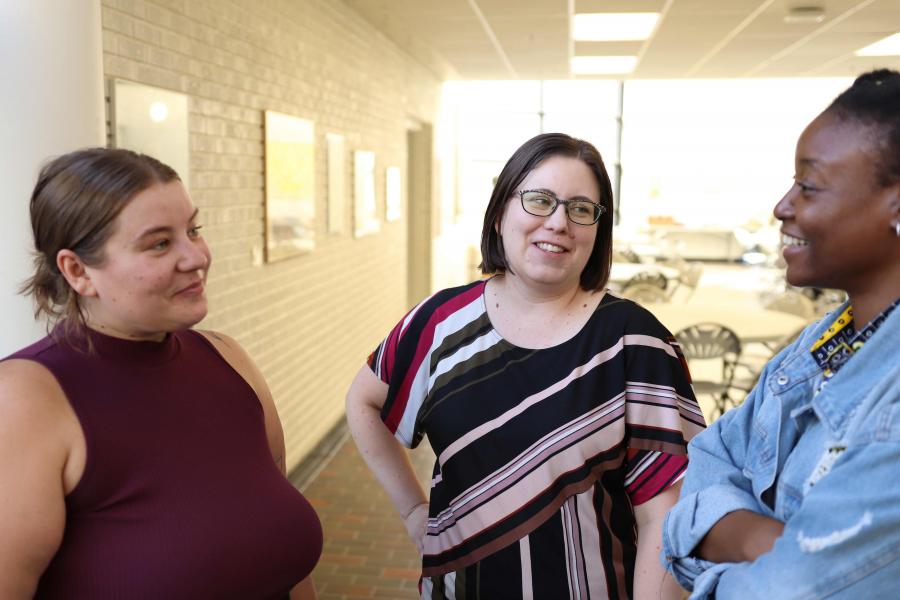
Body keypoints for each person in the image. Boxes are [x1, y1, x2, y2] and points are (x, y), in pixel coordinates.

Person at [347, 133, 705, 598]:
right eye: (539, 200)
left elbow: (665, 516)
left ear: (598, 231)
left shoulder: (637, 344)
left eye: (581, 209)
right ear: (500, 213)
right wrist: (414, 511)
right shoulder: (438, 325)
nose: (558, 223)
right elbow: (364, 401)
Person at [0, 148, 322, 599]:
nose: (196, 257)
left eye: (193, 230)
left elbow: (283, 557)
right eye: (159, 244)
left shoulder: (229, 359)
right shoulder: (26, 400)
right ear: (78, 271)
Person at [662, 69, 900, 598]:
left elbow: (784, 591)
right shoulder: (820, 346)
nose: (782, 206)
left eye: (808, 186)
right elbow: (707, 462)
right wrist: (773, 543)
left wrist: (730, 542)